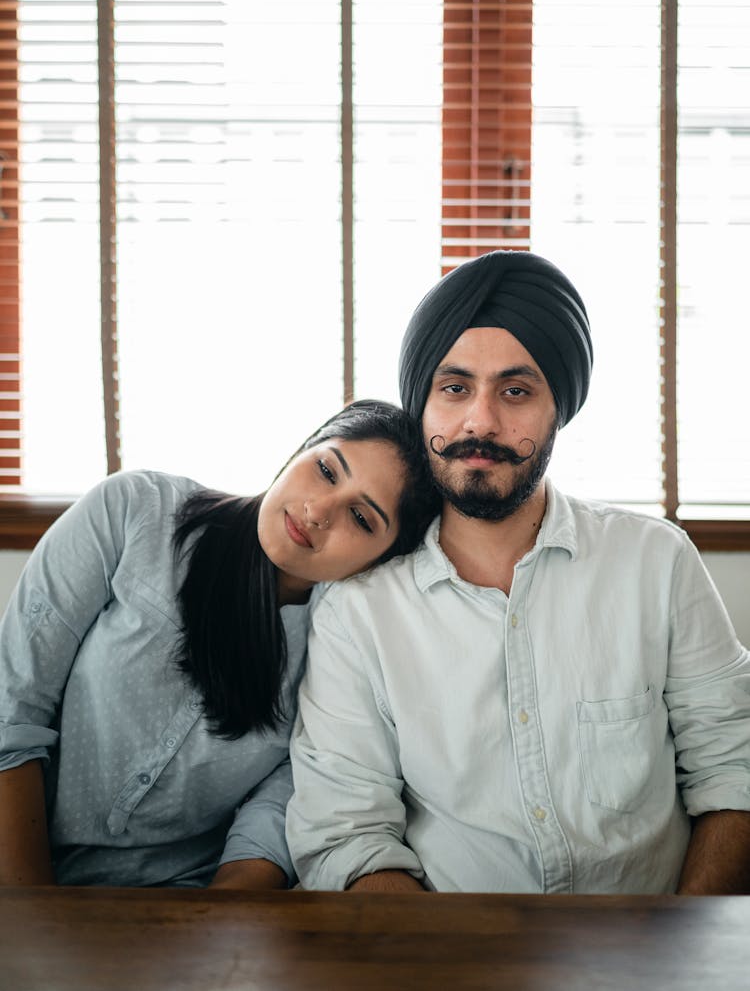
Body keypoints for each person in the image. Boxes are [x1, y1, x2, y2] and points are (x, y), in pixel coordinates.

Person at [287, 250, 750, 895]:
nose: (481, 420)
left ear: (559, 407)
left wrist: (690, 951)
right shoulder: (358, 612)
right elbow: (347, 837)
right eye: (454, 388)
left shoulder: (656, 562)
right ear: (422, 404)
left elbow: (735, 771)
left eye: (516, 390)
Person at [0, 399, 438, 889]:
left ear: (382, 559)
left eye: (361, 518)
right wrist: (27, 911)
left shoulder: (342, 648)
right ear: (304, 448)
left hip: (181, 902)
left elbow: (287, 793)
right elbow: (12, 707)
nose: (318, 511)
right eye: (325, 470)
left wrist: (226, 914)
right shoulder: (134, 511)